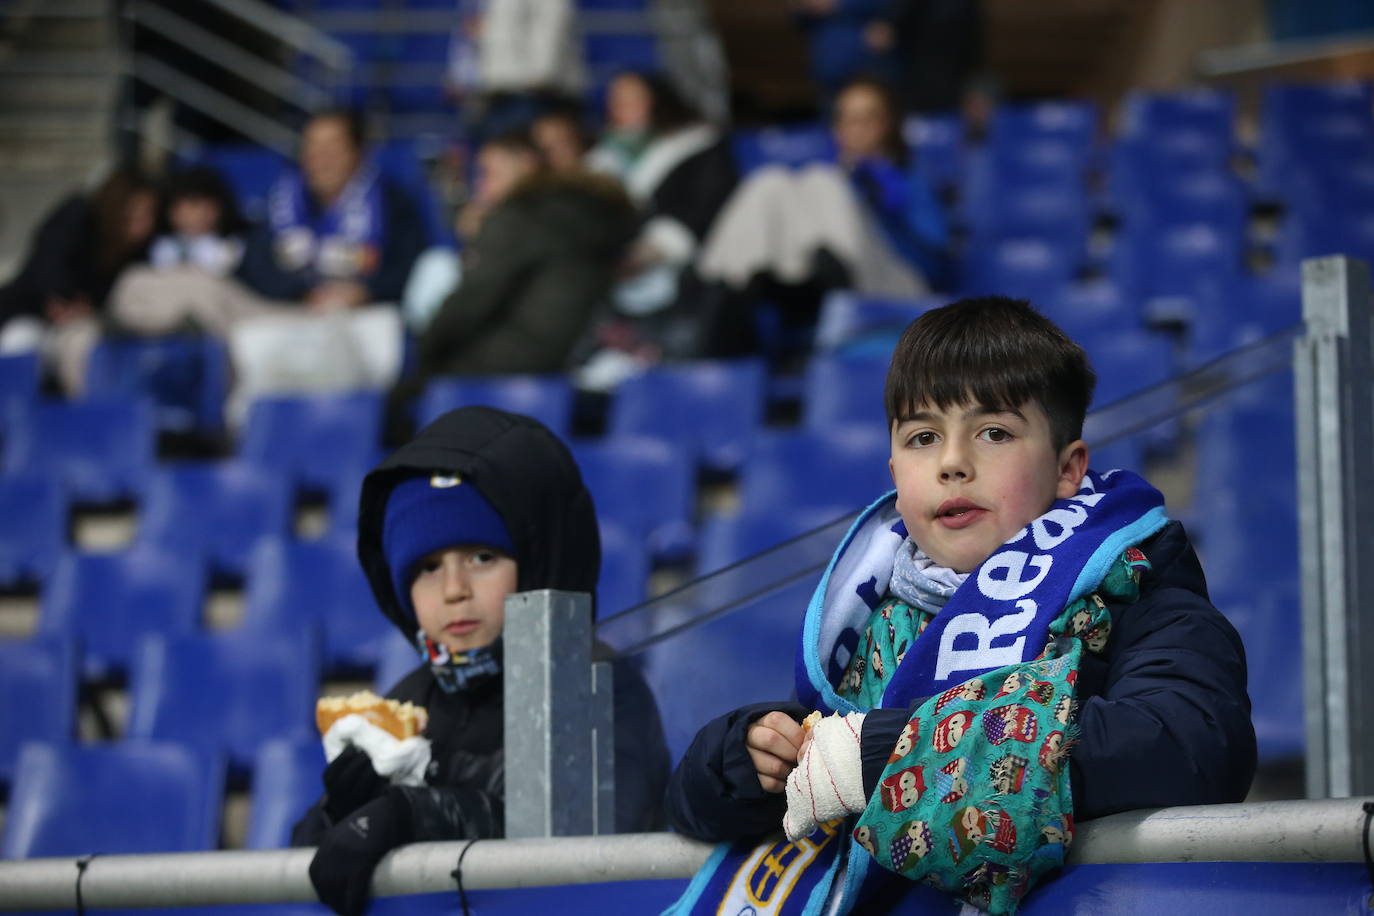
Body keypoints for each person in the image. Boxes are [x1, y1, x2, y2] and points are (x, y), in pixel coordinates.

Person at [663, 297, 1255, 913]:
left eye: (994, 432)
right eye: (923, 437)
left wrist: (887, 756)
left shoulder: (1139, 591)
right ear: (894, 470)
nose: (952, 463)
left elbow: (1195, 743)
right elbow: (688, 805)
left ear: (1067, 469)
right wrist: (742, 759)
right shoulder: (871, 618)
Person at [296, 406, 671, 916]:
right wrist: (339, 814)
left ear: (538, 561)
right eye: (428, 568)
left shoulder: (595, 683)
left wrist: (418, 814)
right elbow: (301, 869)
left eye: (482, 558)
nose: (454, 590)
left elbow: (581, 849)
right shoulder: (409, 699)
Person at [385, 131, 636, 441]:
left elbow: (472, 300)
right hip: (564, 355)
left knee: (401, 401)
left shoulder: (519, 216)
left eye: (490, 173)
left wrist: (429, 349)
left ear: (527, 166)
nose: (481, 186)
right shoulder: (585, 213)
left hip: (515, 359)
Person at [694, 77, 950, 355]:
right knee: (769, 182)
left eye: (868, 118)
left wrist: (884, 211)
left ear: (889, 123)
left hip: (892, 286)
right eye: (848, 119)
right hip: (809, 281)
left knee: (823, 181)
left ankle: (827, 279)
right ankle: (723, 285)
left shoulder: (909, 179)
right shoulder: (829, 178)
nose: (857, 129)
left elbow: (935, 266)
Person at [236, 110, 426, 310]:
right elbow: (256, 266)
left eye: (333, 149)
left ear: (358, 152)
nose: (322, 161)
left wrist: (367, 290)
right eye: (314, 149)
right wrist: (301, 292)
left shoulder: (391, 200)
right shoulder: (280, 199)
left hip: (362, 312)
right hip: (286, 308)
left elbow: (410, 266)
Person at [0, 166, 159, 394]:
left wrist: (87, 311)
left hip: (84, 328)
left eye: (150, 215)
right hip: (31, 313)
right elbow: (48, 260)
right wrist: (61, 298)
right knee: (22, 345)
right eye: (134, 214)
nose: (144, 224)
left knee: (89, 347)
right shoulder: (79, 216)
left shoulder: (143, 252)